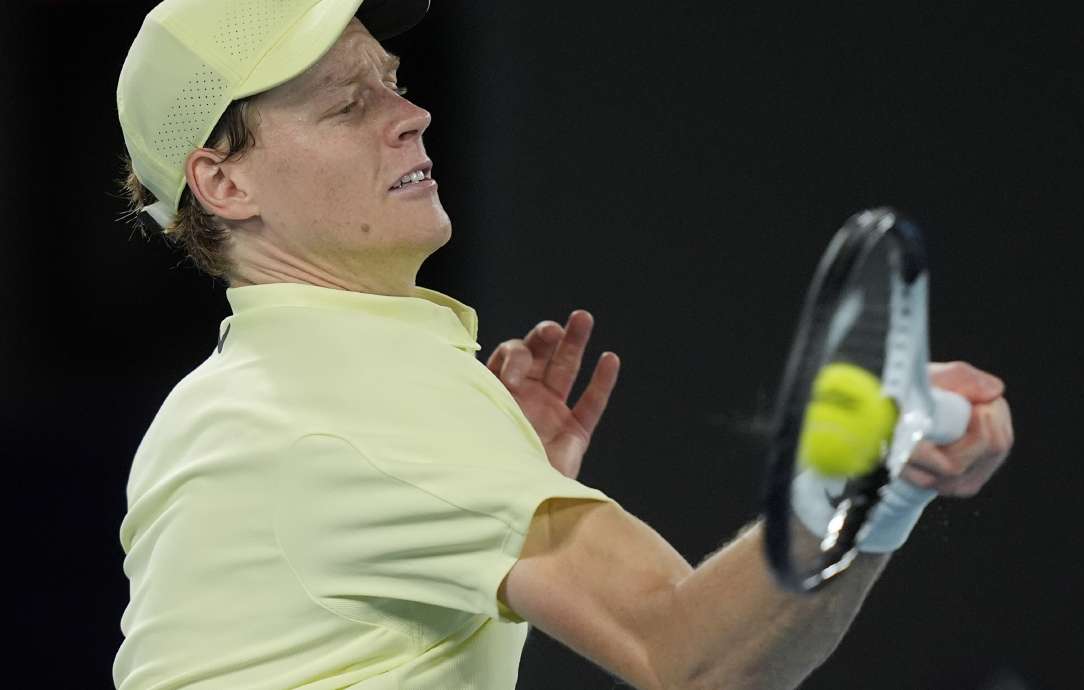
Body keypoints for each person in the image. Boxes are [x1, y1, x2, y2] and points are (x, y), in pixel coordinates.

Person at [113, 1, 1016, 689]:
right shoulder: (361, 399)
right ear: (224, 183)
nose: (411, 112)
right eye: (348, 102)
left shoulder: (216, 401)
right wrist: (867, 478)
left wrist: (493, 481)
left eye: (392, 78)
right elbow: (690, 659)